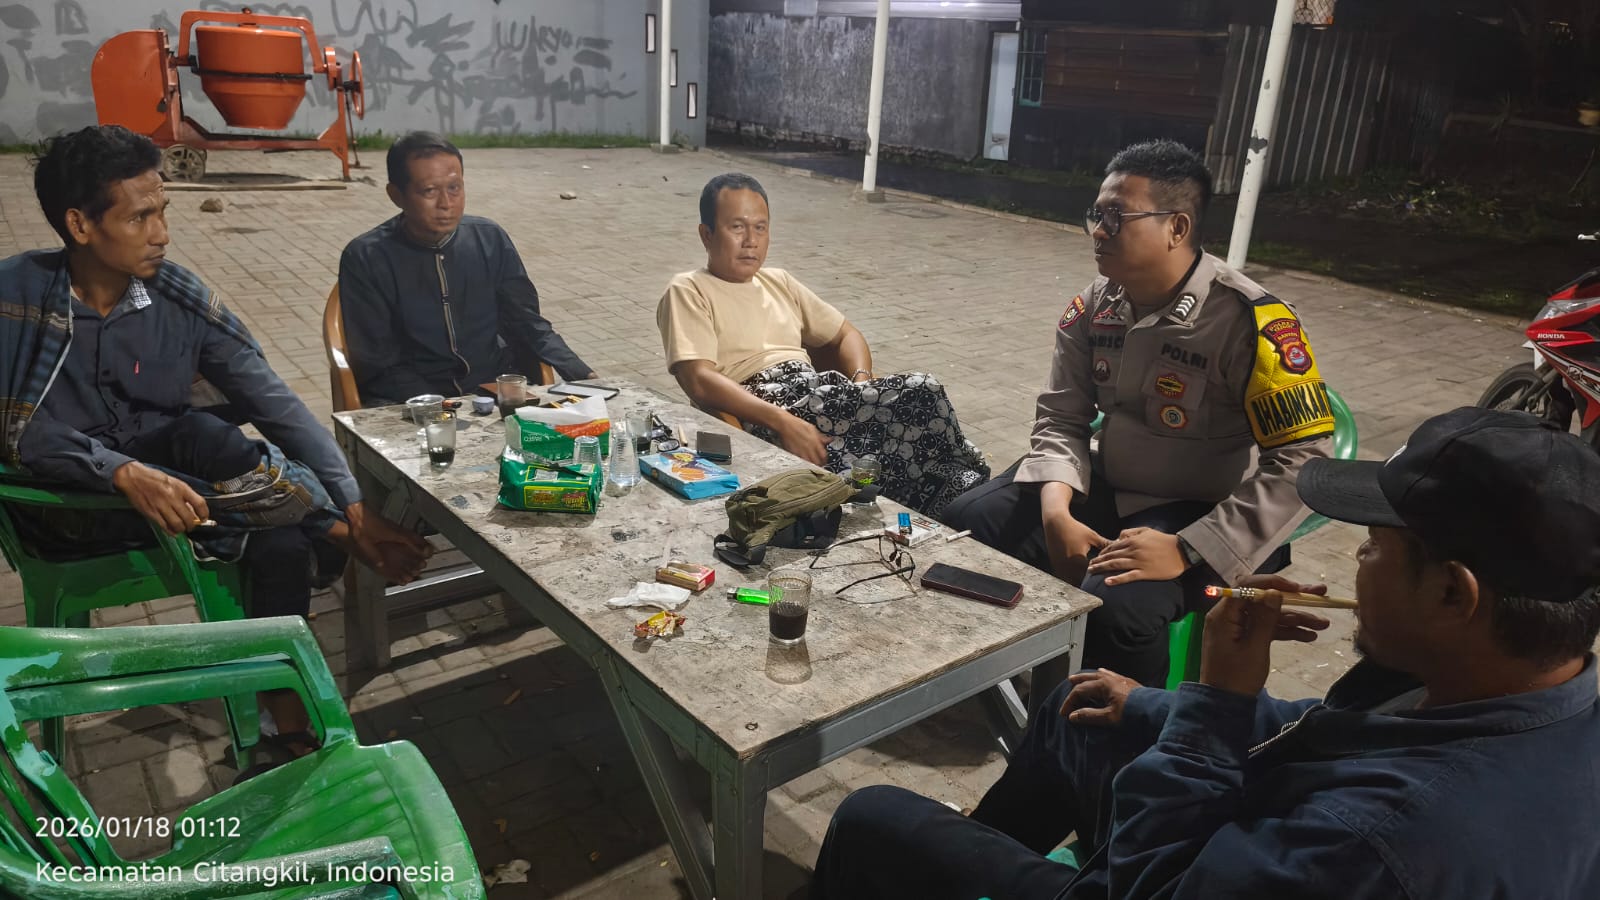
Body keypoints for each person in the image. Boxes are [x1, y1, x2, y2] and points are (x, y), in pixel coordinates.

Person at [814, 406, 1600, 900]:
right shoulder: (1512, 690)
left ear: (1453, 594)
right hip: (1248, 840)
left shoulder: (1380, 842)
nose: (1356, 562)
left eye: (1375, 548)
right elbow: (1343, 738)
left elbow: (1155, 886)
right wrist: (1163, 705)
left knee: (872, 815)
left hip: (1179, 876)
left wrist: (1217, 706)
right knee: (1080, 706)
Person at [1, 125, 431, 763]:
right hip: (67, 510)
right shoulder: (15, 297)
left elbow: (274, 404)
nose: (162, 234)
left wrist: (353, 498)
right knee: (230, 468)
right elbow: (16, 427)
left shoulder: (175, 298)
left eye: (163, 210)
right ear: (80, 224)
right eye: (140, 217)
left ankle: (286, 731)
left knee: (254, 503)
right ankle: (332, 535)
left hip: (191, 501)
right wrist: (117, 471)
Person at [942, 140, 1334, 685]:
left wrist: (1187, 548)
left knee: (1118, 607)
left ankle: (1126, 724)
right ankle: (1002, 681)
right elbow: (1061, 417)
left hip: (1203, 511)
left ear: (1176, 227)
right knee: (967, 523)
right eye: (1096, 215)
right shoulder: (1095, 305)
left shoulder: (1251, 323)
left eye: (1115, 217)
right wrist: (1056, 512)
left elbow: (1304, 460)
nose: (1098, 232)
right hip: (1110, 483)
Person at [656, 172, 989, 518]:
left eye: (760, 228)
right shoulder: (689, 289)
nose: (751, 241)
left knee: (930, 448)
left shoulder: (778, 281)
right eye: (737, 227)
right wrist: (784, 422)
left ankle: (964, 499)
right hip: (765, 406)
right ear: (707, 234)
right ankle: (969, 486)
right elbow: (698, 379)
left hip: (822, 398)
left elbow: (846, 335)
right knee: (923, 390)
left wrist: (862, 385)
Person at [338, 131, 594, 405]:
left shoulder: (490, 239)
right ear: (396, 195)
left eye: (454, 188)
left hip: (491, 389)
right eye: (429, 191)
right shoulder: (366, 257)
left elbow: (527, 322)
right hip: (409, 401)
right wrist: (443, 408)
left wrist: (584, 375)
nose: (446, 204)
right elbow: (378, 362)